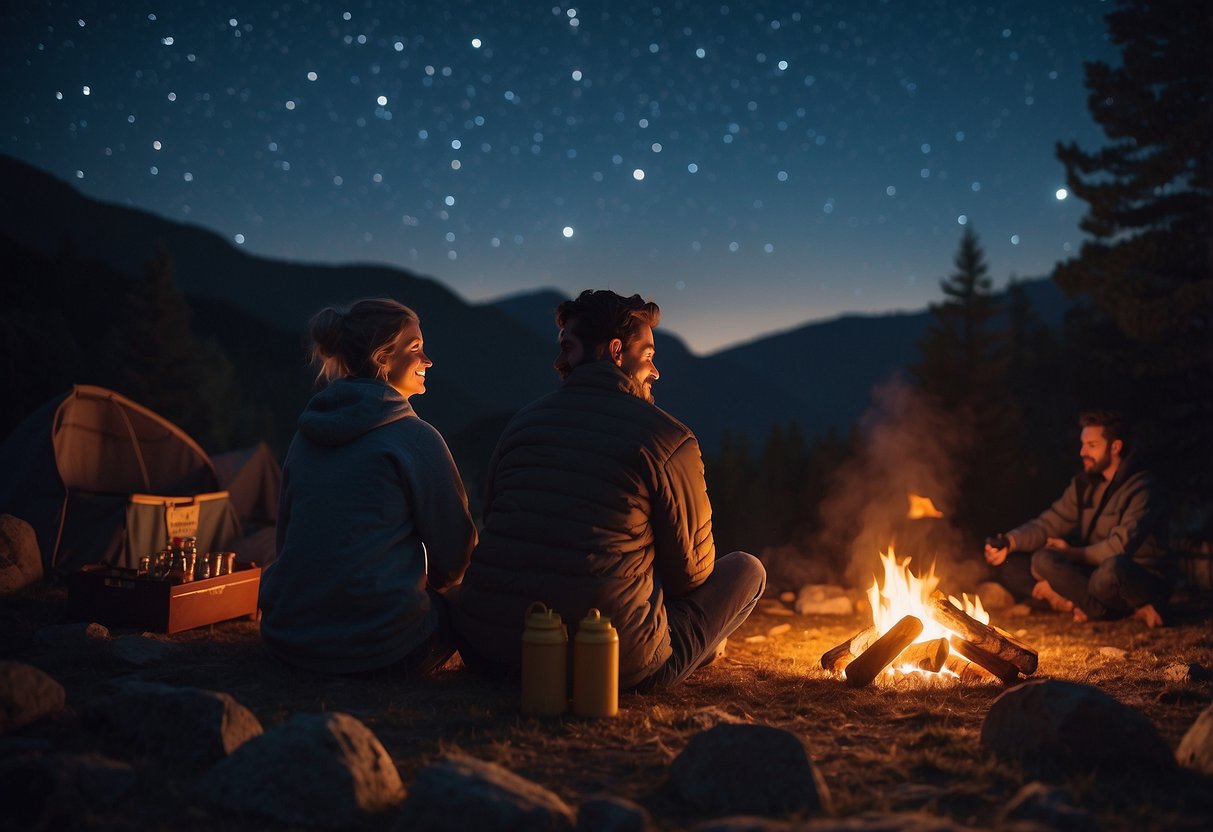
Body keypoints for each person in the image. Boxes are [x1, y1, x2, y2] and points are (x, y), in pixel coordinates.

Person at [453, 290, 767, 690]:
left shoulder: (521, 425)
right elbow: (693, 574)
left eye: (566, 347)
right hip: (611, 663)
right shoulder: (667, 438)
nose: (656, 372)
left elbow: (497, 517)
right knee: (746, 570)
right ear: (617, 351)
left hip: (489, 652)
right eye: (649, 356)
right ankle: (700, 649)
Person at [259, 298, 477, 675]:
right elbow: (456, 559)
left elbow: (287, 543)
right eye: (415, 349)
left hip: (289, 638)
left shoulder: (305, 435)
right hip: (382, 646)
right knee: (466, 601)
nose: (427, 360)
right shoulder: (415, 438)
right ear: (381, 359)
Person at [984, 410, 1170, 628]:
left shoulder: (1142, 488)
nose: (1083, 452)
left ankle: (1080, 602)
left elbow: (1120, 547)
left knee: (1108, 572)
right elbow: (1049, 522)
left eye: (1092, 445)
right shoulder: (1084, 484)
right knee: (1032, 561)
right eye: (1082, 444)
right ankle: (1094, 607)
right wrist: (1010, 542)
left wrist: (1073, 554)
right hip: (1093, 570)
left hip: (1135, 576)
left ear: (1115, 447)